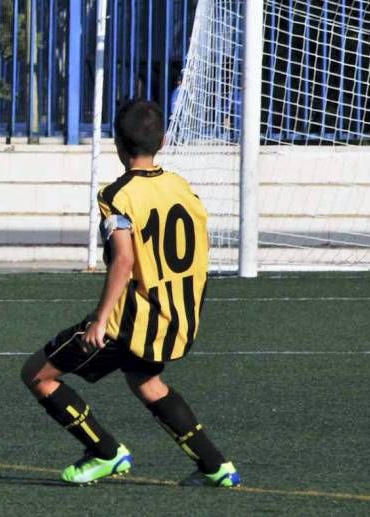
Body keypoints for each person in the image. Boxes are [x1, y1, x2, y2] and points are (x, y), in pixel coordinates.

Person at [20, 100, 240, 487]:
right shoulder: (182, 187)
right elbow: (201, 243)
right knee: (145, 379)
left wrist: (100, 322)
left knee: (38, 375)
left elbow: (123, 260)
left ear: (118, 145)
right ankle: (215, 466)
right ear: (164, 141)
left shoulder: (116, 195)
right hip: (176, 315)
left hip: (129, 320)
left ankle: (105, 453)